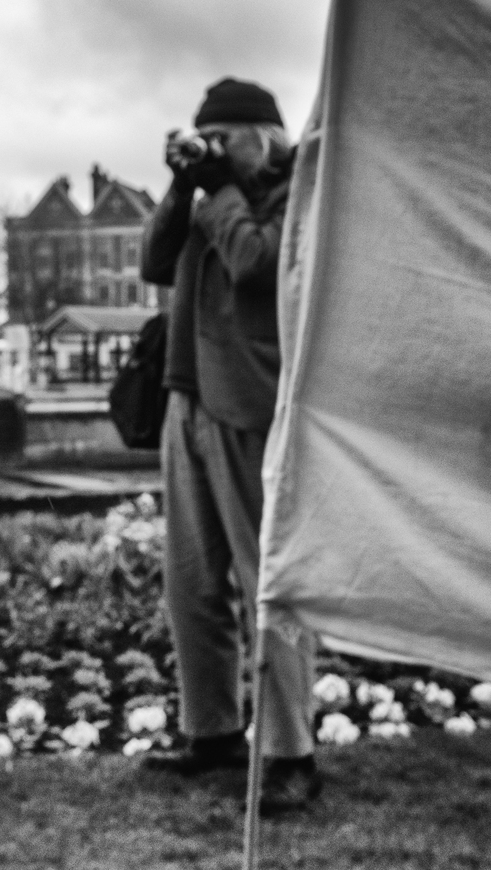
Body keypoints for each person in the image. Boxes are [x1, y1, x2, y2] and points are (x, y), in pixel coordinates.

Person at [138, 77, 321, 813]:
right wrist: (181, 185)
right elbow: (155, 261)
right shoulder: (209, 190)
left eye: (221, 138)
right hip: (184, 400)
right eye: (201, 138)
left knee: (265, 584)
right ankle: (211, 731)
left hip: (250, 405)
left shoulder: (295, 192)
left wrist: (216, 190)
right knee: (191, 584)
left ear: (262, 135)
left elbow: (256, 264)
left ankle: (291, 753)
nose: (210, 149)